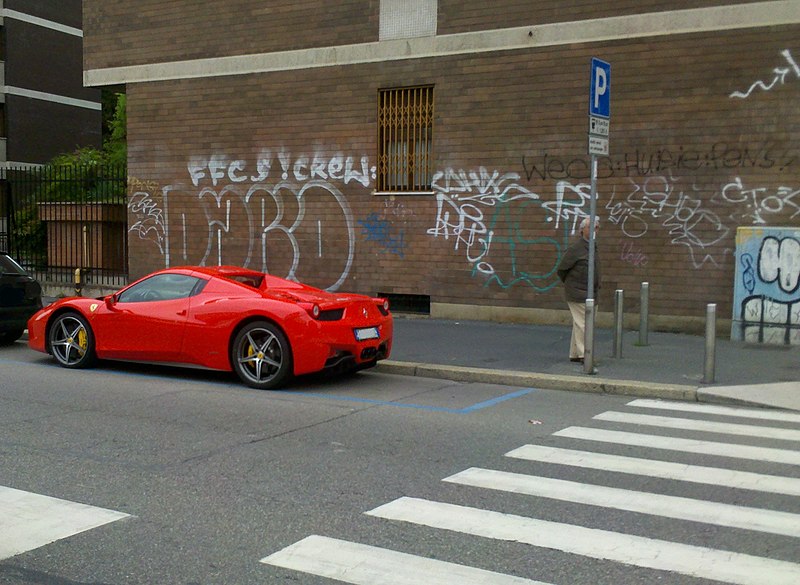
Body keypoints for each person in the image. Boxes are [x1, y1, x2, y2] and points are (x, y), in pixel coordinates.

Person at [557, 217, 600, 363]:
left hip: (590, 292)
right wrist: (572, 284)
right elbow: (562, 268)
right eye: (591, 227)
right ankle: (584, 354)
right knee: (584, 324)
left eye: (597, 227)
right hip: (578, 292)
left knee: (580, 324)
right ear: (582, 230)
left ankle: (575, 353)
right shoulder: (576, 249)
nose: (595, 230)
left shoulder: (593, 246)